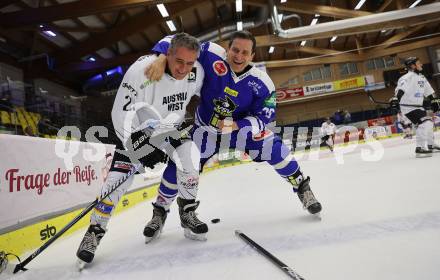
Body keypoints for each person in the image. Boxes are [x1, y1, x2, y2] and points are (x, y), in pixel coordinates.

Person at [143, 31, 322, 242]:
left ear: (252, 56)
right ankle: (160, 211)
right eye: (235, 50)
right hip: (206, 131)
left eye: (245, 52)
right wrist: (161, 57)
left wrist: (237, 124)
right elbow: (176, 41)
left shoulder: (263, 82)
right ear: (227, 48)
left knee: (276, 148)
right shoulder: (210, 53)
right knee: (180, 163)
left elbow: (265, 116)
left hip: (241, 132)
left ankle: (302, 188)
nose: (238, 56)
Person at [76, 33, 206, 267]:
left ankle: (186, 211)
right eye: (179, 62)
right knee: (115, 184)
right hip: (138, 133)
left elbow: (213, 52)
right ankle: (95, 231)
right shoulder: (143, 71)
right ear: (168, 54)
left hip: (169, 131)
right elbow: (119, 113)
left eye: (189, 63)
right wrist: (134, 143)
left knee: (190, 156)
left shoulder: (196, 70)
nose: (184, 69)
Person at [390, 57, 440, 157]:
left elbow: (429, 91)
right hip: (408, 108)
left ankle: (431, 145)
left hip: (418, 107)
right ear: (413, 66)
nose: (421, 64)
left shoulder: (422, 77)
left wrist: (434, 101)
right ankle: (420, 148)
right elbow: (400, 89)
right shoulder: (407, 77)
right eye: (418, 63)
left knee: (429, 122)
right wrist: (396, 98)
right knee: (425, 123)